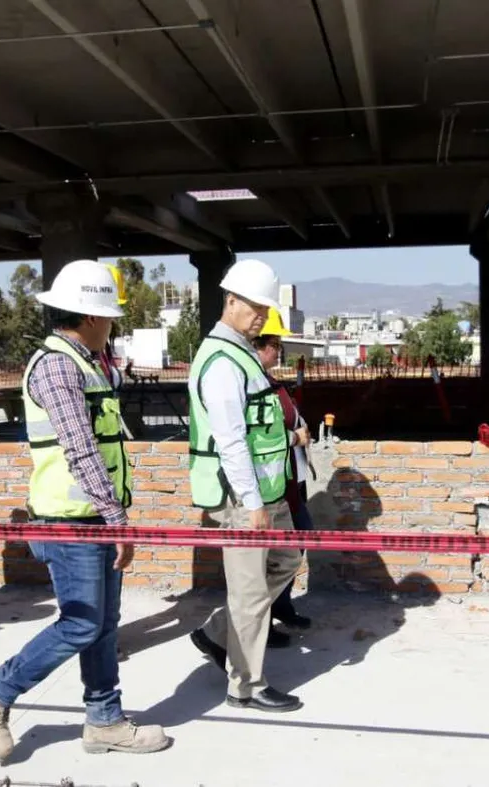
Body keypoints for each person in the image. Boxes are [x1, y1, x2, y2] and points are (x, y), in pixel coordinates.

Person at [0, 259, 170, 763]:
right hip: (70, 519)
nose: (113, 325)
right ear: (92, 316)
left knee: (103, 624)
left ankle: (104, 720)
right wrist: (117, 518)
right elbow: (80, 449)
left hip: (94, 515)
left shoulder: (87, 362)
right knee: (81, 623)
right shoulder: (58, 366)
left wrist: (114, 515)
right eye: (110, 316)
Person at [187, 258, 304, 714]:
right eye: (255, 307)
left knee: (288, 559)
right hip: (243, 498)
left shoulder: (243, 354)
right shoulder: (221, 361)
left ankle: (219, 633)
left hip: (268, 492)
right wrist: (253, 502)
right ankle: (246, 686)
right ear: (231, 300)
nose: (261, 316)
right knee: (251, 593)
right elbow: (232, 439)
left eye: (266, 309)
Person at [253, 309, 314, 639]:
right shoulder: (253, 385)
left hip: (289, 480)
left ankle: (280, 604)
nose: (280, 351)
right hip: (269, 486)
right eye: (276, 345)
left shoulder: (272, 383)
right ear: (258, 345)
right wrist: (294, 438)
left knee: (297, 541)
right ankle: (260, 622)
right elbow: (258, 436)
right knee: (271, 556)